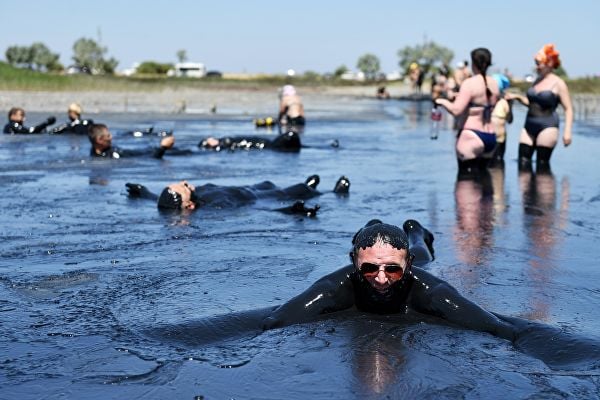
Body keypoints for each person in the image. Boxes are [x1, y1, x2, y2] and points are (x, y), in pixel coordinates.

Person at [125, 175, 351, 216]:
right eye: (183, 188)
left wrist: (143, 191)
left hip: (254, 186)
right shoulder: (215, 208)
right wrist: (291, 210)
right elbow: (256, 211)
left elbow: (158, 200)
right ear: (189, 207)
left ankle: (311, 186)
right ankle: (332, 191)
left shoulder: (190, 198)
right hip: (260, 197)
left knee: (272, 184)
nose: (184, 183)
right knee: (297, 190)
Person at [506, 44, 573, 173]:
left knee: (542, 166)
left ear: (549, 63)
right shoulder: (537, 81)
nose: (536, 66)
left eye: (538, 63)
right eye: (535, 63)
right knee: (523, 163)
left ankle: (543, 192)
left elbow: (568, 109)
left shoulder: (558, 83)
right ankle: (526, 193)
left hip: (547, 126)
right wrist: (518, 98)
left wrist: (567, 132)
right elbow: (532, 103)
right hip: (529, 125)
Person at [435, 48, 500, 176]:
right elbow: (484, 103)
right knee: (485, 182)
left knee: (466, 183)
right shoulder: (494, 83)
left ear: (473, 63)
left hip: (471, 136)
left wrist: (441, 101)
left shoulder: (469, 83)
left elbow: (456, 110)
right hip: (491, 136)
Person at [88, 123, 175, 159]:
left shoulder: (94, 152)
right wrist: (163, 147)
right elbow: (149, 158)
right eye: (108, 136)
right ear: (99, 140)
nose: (111, 137)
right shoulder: (114, 155)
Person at [199, 130, 301, 153]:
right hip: (268, 145)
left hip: (267, 144)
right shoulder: (223, 144)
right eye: (208, 140)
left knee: (291, 135)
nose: (210, 138)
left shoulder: (224, 141)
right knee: (290, 135)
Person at [490, 74, 514, 165]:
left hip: (500, 139)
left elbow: (510, 120)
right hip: (488, 137)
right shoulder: (487, 100)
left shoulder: (504, 102)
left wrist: (511, 106)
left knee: (498, 163)